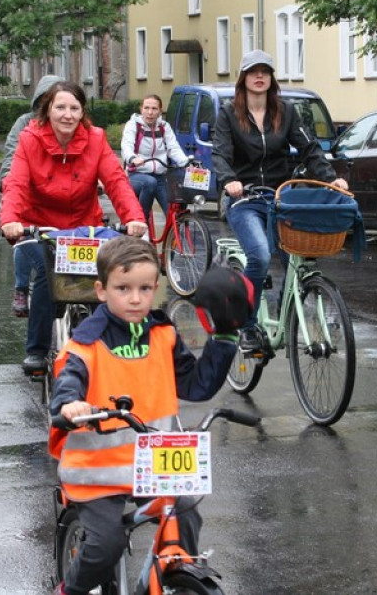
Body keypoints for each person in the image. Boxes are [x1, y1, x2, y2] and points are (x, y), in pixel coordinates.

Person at [48, 240, 251, 595]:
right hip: (99, 472)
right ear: (101, 290)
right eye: (123, 289)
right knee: (106, 543)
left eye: (144, 289)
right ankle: (69, 590)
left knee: (186, 511)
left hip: (157, 464)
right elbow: (68, 380)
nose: (135, 298)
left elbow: (196, 385)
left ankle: (178, 579)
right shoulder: (84, 344)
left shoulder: (164, 334)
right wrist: (70, 405)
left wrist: (225, 337)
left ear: (156, 289)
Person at [0, 81, 147, 374]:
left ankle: (107, 346)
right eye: (60, 107)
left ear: (82, 113)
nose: (67, 114)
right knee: (45, 272)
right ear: (48, 110)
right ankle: (38, 351)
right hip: (40, 228)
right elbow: (15, 183)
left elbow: (116, 181)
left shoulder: (95, 139)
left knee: (99, 285)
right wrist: (10, 221)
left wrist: (133, 217)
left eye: (74, 108)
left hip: (84, 229)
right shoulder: (29, 140)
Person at [211, 49, 347, 352]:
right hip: (245, 199)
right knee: (259, 255)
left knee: (297, 259)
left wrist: (330, 178)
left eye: (265, 71)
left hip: (280, 197)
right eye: (253, 71)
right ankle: (246, 326)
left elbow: (310, 148)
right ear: (243, 78)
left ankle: (288, 314)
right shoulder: (229, 113)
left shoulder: (285, 112)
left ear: (271, 78)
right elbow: (219, 153)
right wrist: (229, 180)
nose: (259, 76)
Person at [0, 74, 61, 318]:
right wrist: (8, 182)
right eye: (46, 100)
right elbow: (11, 155)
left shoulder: (71, 125)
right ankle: (21, 288)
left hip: (60, 197)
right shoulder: (24, 124)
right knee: (24, 236)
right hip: (27, 193)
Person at [120, 93, 189, 222]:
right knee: (149, 182)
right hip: (136, 175)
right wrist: (132, 158)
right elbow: (126, 145)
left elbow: (173, 148)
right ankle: (142, 223)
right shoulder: (134, 125)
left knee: (174, 213)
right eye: (146, 108)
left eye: (154, 109)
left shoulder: (164, 127)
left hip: (160, 177)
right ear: (141, 109)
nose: (150, 112)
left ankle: (176, 237)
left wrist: (185, 162)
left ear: (160, 111)